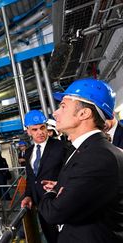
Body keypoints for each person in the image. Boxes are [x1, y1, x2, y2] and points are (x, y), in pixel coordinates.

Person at [39, 78, 123, 242]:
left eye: (63, 106)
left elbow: (54, 213)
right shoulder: (83, 149)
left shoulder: (98, 156)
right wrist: (63, 188)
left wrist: (50, 193)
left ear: (84, 113)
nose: (55, 113)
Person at [20, 110, 66, 243]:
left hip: (59, 203)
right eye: (35, 129)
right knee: (50, 237)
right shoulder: (28, 152)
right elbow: (31, 178)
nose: (40, 132)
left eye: (42, 128)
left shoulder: (61, 147)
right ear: (28, 131)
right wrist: (28, 195)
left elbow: (70, 174)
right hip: (40, 206)